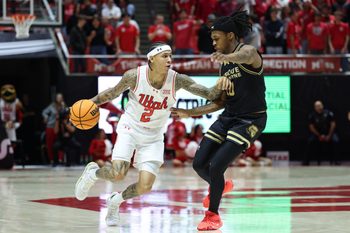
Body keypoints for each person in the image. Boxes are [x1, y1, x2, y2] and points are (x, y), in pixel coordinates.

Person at [74, 42, 230, 227]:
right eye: (164, 56)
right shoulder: (134, 76)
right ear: (151, 58)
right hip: (130, 128)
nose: (169, 60)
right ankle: (93, 173)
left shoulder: (177, 79)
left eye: (170, 56)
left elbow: (210, 94)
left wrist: (223, 80)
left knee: (145, 186)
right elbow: (111, 93)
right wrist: (87, 103)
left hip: (154, 135)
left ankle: (115, 201)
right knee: (118, 174)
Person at [171, 10, 267, 231]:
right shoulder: (224, 65)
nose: (213, 43)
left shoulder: (248, 52)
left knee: (216, 166)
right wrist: (190, 113)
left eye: (216, 38)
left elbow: (244, 56)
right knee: (198, 164)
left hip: (250, 120)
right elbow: (219, 103)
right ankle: (222, 186)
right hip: (228, 116)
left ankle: (213, 215)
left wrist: (228, 57)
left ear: (231, 36)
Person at [303, 100, 339, 165]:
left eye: (319, 105)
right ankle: (306, 161)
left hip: (329, 133)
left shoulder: (329, 113)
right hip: (317, 134)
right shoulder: (312, 115)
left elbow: (333, 125)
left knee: (336, 141)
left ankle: (336, 161)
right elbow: (311, 127)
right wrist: (319, 136)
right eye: (316, 106)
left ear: (322, 106)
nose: (318, 107)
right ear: (314, 107)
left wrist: (329, 136)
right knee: (309, 141)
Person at [42, 93, 66, 164]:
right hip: (50, 126)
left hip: (59, 127)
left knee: (60, 143)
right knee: (50, 144)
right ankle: (52, 159)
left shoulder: (63, 106)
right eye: (58, 97)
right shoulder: (52, 106)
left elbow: (66, 113)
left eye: (60, 97)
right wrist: (46, 117)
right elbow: (44, 112)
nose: (59, 99)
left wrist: (63, 107)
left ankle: (60, 159)